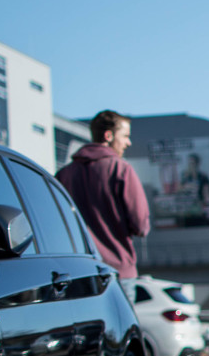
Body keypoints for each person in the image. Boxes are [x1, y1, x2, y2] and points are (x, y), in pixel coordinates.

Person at [56, 110, 151, 279]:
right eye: (125, 136)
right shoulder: (121, 169)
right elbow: (141, 225)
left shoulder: (64, 174)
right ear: (108, 136)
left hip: (78, 272)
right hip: (117, 271)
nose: (128, 143)